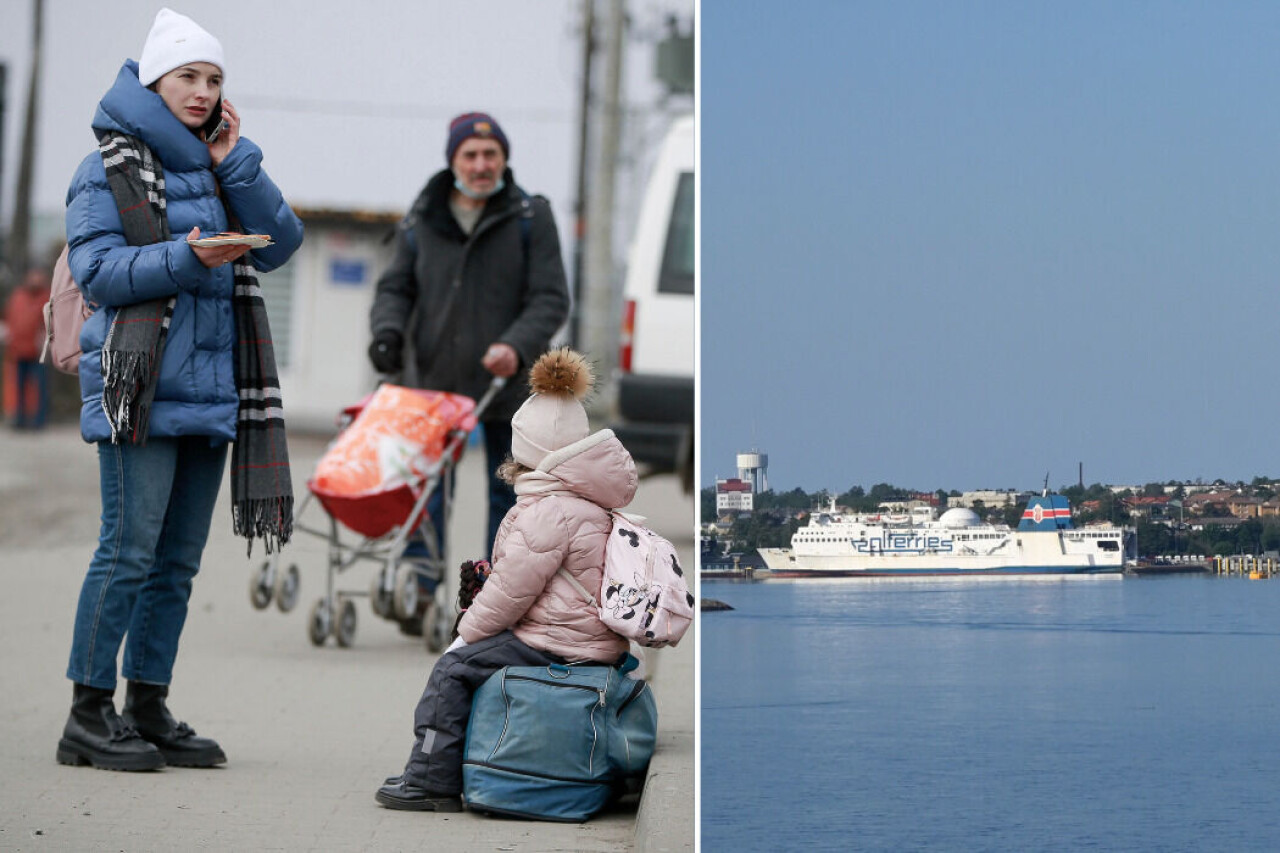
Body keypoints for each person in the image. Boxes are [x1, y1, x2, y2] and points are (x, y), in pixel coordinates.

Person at [56, 8, 303, 771]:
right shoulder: (107, 164)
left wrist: (237, 162)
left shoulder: (217, 166)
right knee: (127, 552)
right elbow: (97, 271)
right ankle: (87, 713)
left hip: (212, 389)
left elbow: (282, 245)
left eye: (214, 79)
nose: (202, 91)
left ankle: (149, 703)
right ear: (154, 80)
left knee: (177, 562)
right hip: (139, 387)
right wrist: (189, 258)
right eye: (188, 76)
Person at [376, 348, 636, 811]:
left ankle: (430, 780)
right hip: (590, 639)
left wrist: (464, 634)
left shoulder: (547, 511)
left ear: (527, 452)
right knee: (476, 660)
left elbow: (510, 594)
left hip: (557, 641)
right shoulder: (592, 500)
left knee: (453, 672)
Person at [367, 112, 570, 571]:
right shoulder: (422, 219)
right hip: (433, 384)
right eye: (471, 155)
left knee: (508, 500)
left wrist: (515, 347)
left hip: (508, 391)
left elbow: (551, 298)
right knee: (427, 491)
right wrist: (387, 333)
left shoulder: (529, 217)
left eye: (491, 154)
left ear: (504, 158)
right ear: (453, 160)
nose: (482, 165)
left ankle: (493, 595)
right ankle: (420, 583)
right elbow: (394, 288)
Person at [3, 266, 52, 429]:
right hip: (17, 350)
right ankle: (20, 419)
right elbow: (10, 317)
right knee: (18, 387)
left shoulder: (46, 297)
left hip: (37, 351)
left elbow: (50, 321)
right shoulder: (18, 296)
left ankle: (39, 420)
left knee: (39, 386)